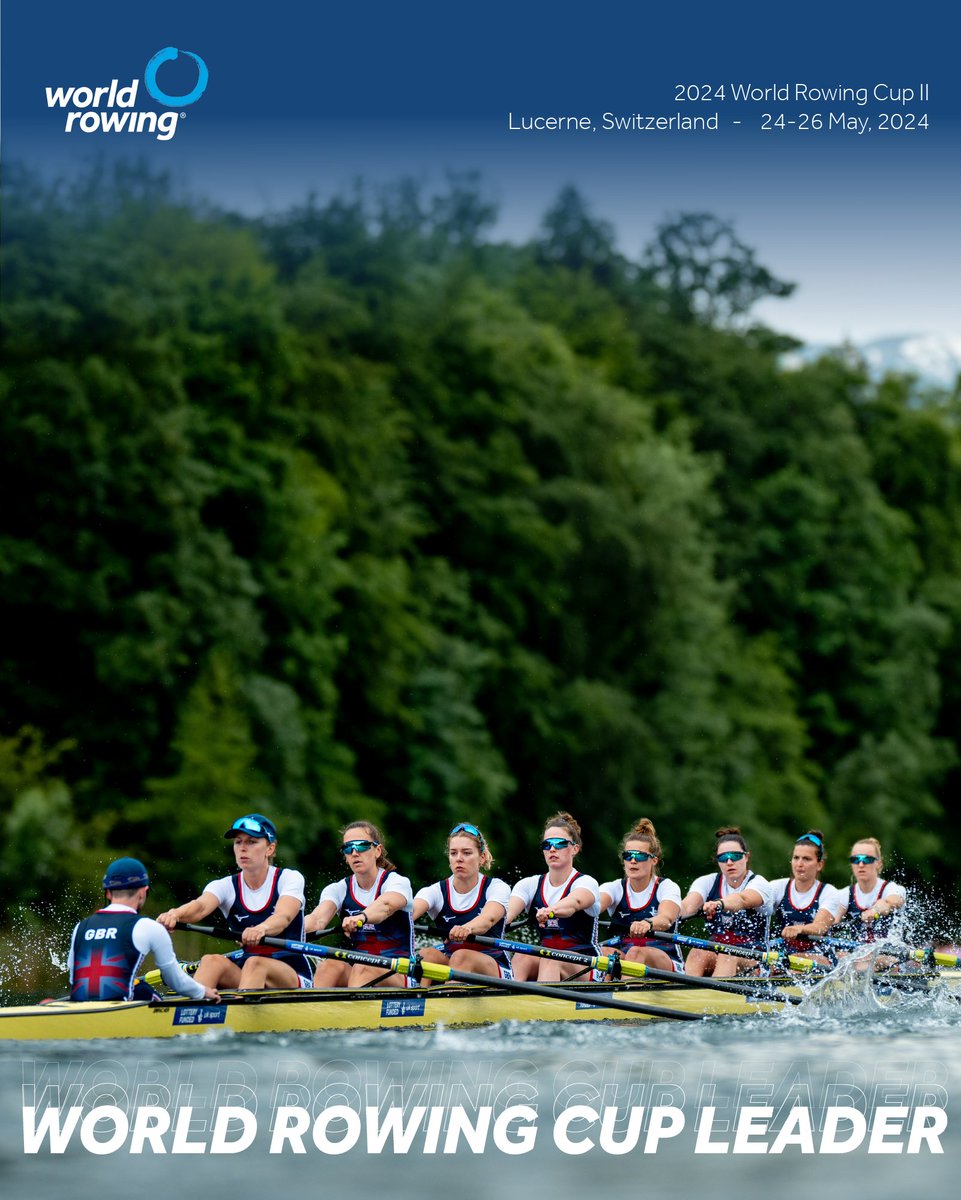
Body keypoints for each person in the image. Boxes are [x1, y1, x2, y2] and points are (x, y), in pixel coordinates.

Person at [157, 813, 312, 990]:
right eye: (238, 842)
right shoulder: (225, 886)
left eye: (252, 842)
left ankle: (237, 1014)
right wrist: (175, 914)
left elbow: (283, 916)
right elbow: (200, 907)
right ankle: (191, 1012)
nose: (243, 848)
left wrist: (261, 929)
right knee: (210, 961)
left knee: (256, 963)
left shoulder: (289, 878)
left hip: (293, 971)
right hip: (248, 969)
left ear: (270, 849)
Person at [69, 857, 219, 1003]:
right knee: (143, 990)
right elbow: (174, 980)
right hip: (118, 1012)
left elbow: (73, 978)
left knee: (139, 987)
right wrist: (203, 991)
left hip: (78, 1007)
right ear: (142, 892)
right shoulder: (149, 927)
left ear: (108, 892)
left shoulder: (80, 927)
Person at [304, 821, 415, 988]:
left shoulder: (397, 882)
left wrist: (361, 917)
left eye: (362, 846)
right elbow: (317, 919)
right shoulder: (338, 889)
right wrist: (288, 929)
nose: (355, 852)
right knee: (329, 966)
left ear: (377, 851)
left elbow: (385, 906)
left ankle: (348, 1009)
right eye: (348, 848)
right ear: (346, 858)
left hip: (399, 973)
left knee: (363, 968)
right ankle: (315, 1012)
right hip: (358, 971)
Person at [505, 811, 601, 982]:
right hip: (548, 960)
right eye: (547, 844)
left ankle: (543, 1005)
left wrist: (551, 911)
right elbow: (506, 915)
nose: (552, 849)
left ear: (575, 849)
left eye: (560, 843)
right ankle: (508, 1005)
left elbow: (574, 903)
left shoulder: (586, 883)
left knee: (551, 957)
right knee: (522, 957)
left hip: (586, 966)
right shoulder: (529, 885)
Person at [413, 822, 513, 981]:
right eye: (453, 853)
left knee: (461, 956)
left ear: (482, 858)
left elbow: (488, 919)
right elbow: (409, 914)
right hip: (453, 961)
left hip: (494, 966)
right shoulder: (434, 892)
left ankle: (449, 1001)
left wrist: (466, 928)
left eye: (466, 853)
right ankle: (419, 1000)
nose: (459, 859)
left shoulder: (497, 887)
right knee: (426, 955)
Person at [679, 826, 773, 977]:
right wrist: (665, 915)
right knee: (697, 951)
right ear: (718, 861)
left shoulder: (760, 884)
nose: (729, 862)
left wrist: (719, 904)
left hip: (756, 959)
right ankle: (688, 997)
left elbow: (742, 899)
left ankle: (714, 998)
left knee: (727, 955)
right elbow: (686, 907)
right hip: (719, 952)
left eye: (735, 856)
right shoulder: (707, 882)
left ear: (746, 857)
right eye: (723, 858)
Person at [598, 818, 683, 973]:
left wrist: (648, 923)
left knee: (636, 952)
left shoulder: (667, 887)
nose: (633, 860)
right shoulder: (613, 888)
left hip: (666, 961)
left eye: (640, 856)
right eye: (628, 855)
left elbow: (666, 918)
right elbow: (593, 907)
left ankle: (621, 996)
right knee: (603, 953)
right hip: (627, 956)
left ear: (654, 860)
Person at [768, 830, 843, 966]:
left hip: (820, 956)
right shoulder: (777, 887)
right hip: (783, 954)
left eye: (806, 859)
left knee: (792, 961)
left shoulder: (828, 892)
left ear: (820, 865)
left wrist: (799, 929)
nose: (799, 864)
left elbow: (820, 927)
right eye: (796, 858)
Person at [833, 837, 906, 942]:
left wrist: (875, 911)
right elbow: (831, 921)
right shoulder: (844, 894)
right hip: (857, 954)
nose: (861, 864)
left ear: (878, 863)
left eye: (867, 859)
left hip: (889, 954)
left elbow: (889, 903)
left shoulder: (893, 889)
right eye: (856, 859)